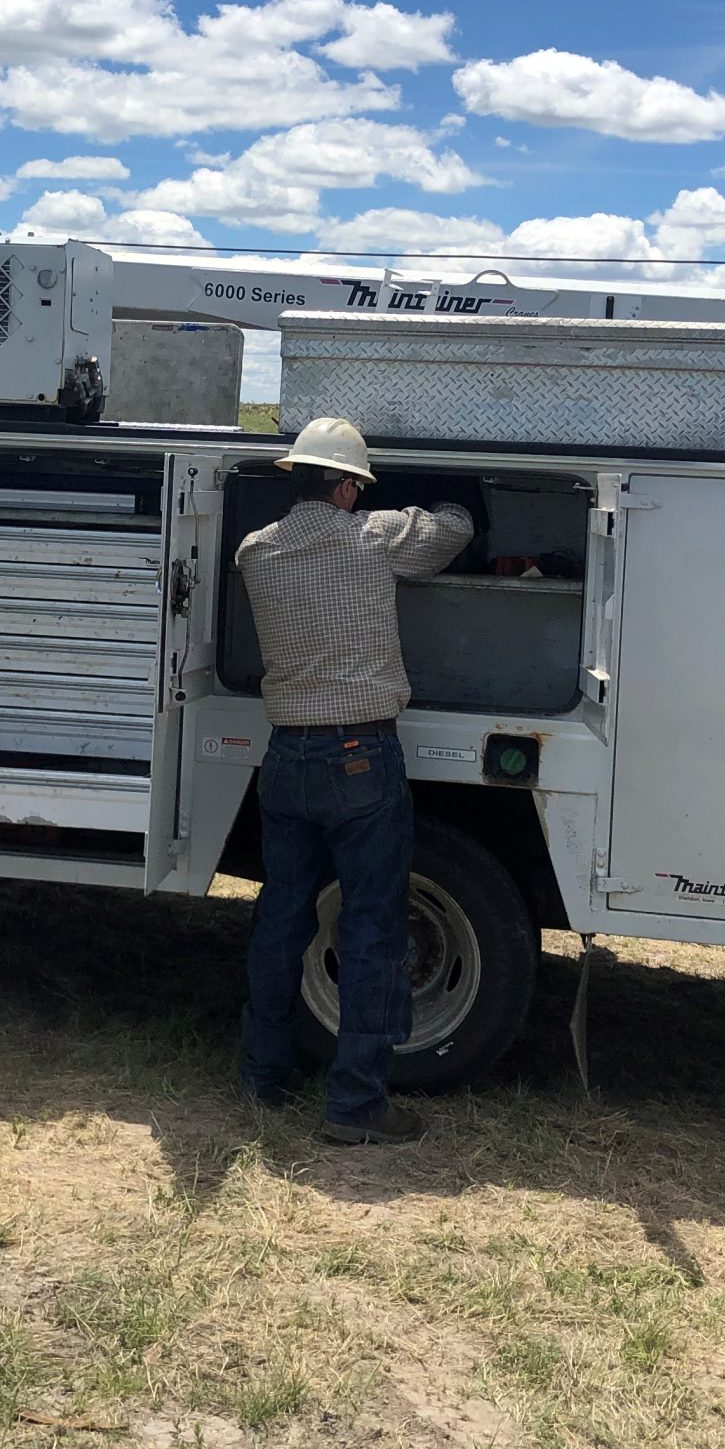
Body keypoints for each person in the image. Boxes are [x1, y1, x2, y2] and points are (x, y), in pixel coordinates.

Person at [234, 416, 473, 1145]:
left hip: (286, 756)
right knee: (372, 925)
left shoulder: (255, 550)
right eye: (358, 486)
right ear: (344, 487)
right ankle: (357, 1103)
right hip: (361, 755)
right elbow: (454, 531)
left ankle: (263, 1075)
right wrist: (445, 493)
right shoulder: (376, 536)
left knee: (283, 915)